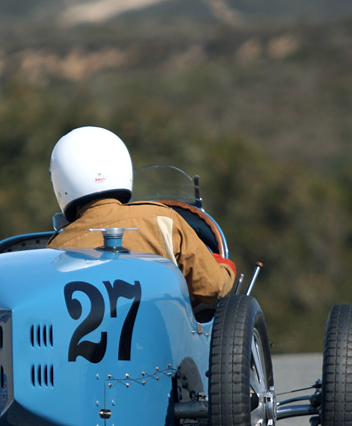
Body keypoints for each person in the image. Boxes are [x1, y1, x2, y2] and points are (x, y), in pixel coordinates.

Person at [47, 126, 237, 306]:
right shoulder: (164, 219)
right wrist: (225, 267)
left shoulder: (57, 248)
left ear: (61, 182)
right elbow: (210, 287)